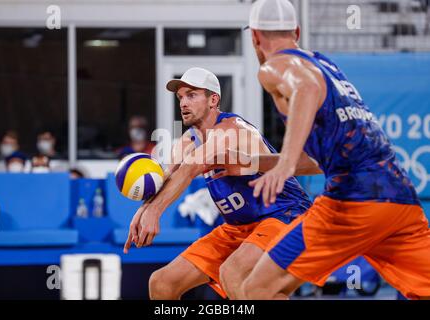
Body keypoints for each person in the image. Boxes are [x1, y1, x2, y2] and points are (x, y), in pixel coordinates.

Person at [231, 0, 430, 300]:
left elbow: (306, 89)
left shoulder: (274, 66)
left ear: (255, 36)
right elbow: (317, 158)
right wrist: (250, 163)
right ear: (296, 31)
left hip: (351, 202)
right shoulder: (328, 67)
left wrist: (284, 164)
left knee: (256, 288)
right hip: (399, 199)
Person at [123, 67, 317, 300]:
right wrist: (143, 211)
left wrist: (155, 211)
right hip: (239, 227)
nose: (183, 103)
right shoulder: (188, 140)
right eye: (181, 97)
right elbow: (169, 176)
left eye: (192, 95)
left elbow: (192, 166)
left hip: (284, 215)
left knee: (234, 273)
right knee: (162, 283)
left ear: (213, 99)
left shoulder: (231, 129)